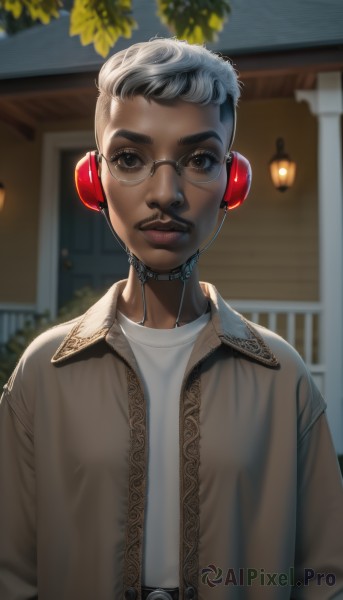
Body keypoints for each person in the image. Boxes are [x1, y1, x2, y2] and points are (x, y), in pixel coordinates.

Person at [0, 38, 342, 600]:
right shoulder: (41, 376)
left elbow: (327, 578)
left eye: (200, 159)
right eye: (130, 158)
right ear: (94, 180)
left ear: (234, 181)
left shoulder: (285, 380)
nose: (166, 193)